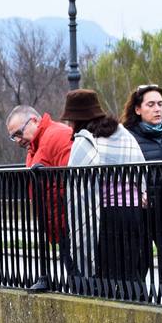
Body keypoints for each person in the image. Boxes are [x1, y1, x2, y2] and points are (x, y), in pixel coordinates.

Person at [60, 88, 147, 299]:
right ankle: (140, 311)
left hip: (106, 214)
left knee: (106, 274)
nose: (70, 125)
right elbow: (139, 167)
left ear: (78, 119)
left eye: (71, 120)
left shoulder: (86, 139)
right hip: (133, 211)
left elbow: (78, 185)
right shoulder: (122, 133)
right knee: (129, 272)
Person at [121, 83, 162, 298]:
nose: (157, 109)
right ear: (138, 109)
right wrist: (137, 192)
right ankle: (139, 306)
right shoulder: (127, 136)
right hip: (141, 210)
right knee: (140, 262)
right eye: (151, 104)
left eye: (160, 104)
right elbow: (121, 171)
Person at [5, 106, 73, 285]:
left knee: (82, 281)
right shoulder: (34, 146)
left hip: (72, 225)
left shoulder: (58, 135)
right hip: (61, 226)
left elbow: (73, 179)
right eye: (13, 137)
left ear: (34, 121)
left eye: (19, 133)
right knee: (76, 279)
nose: (18, 140)